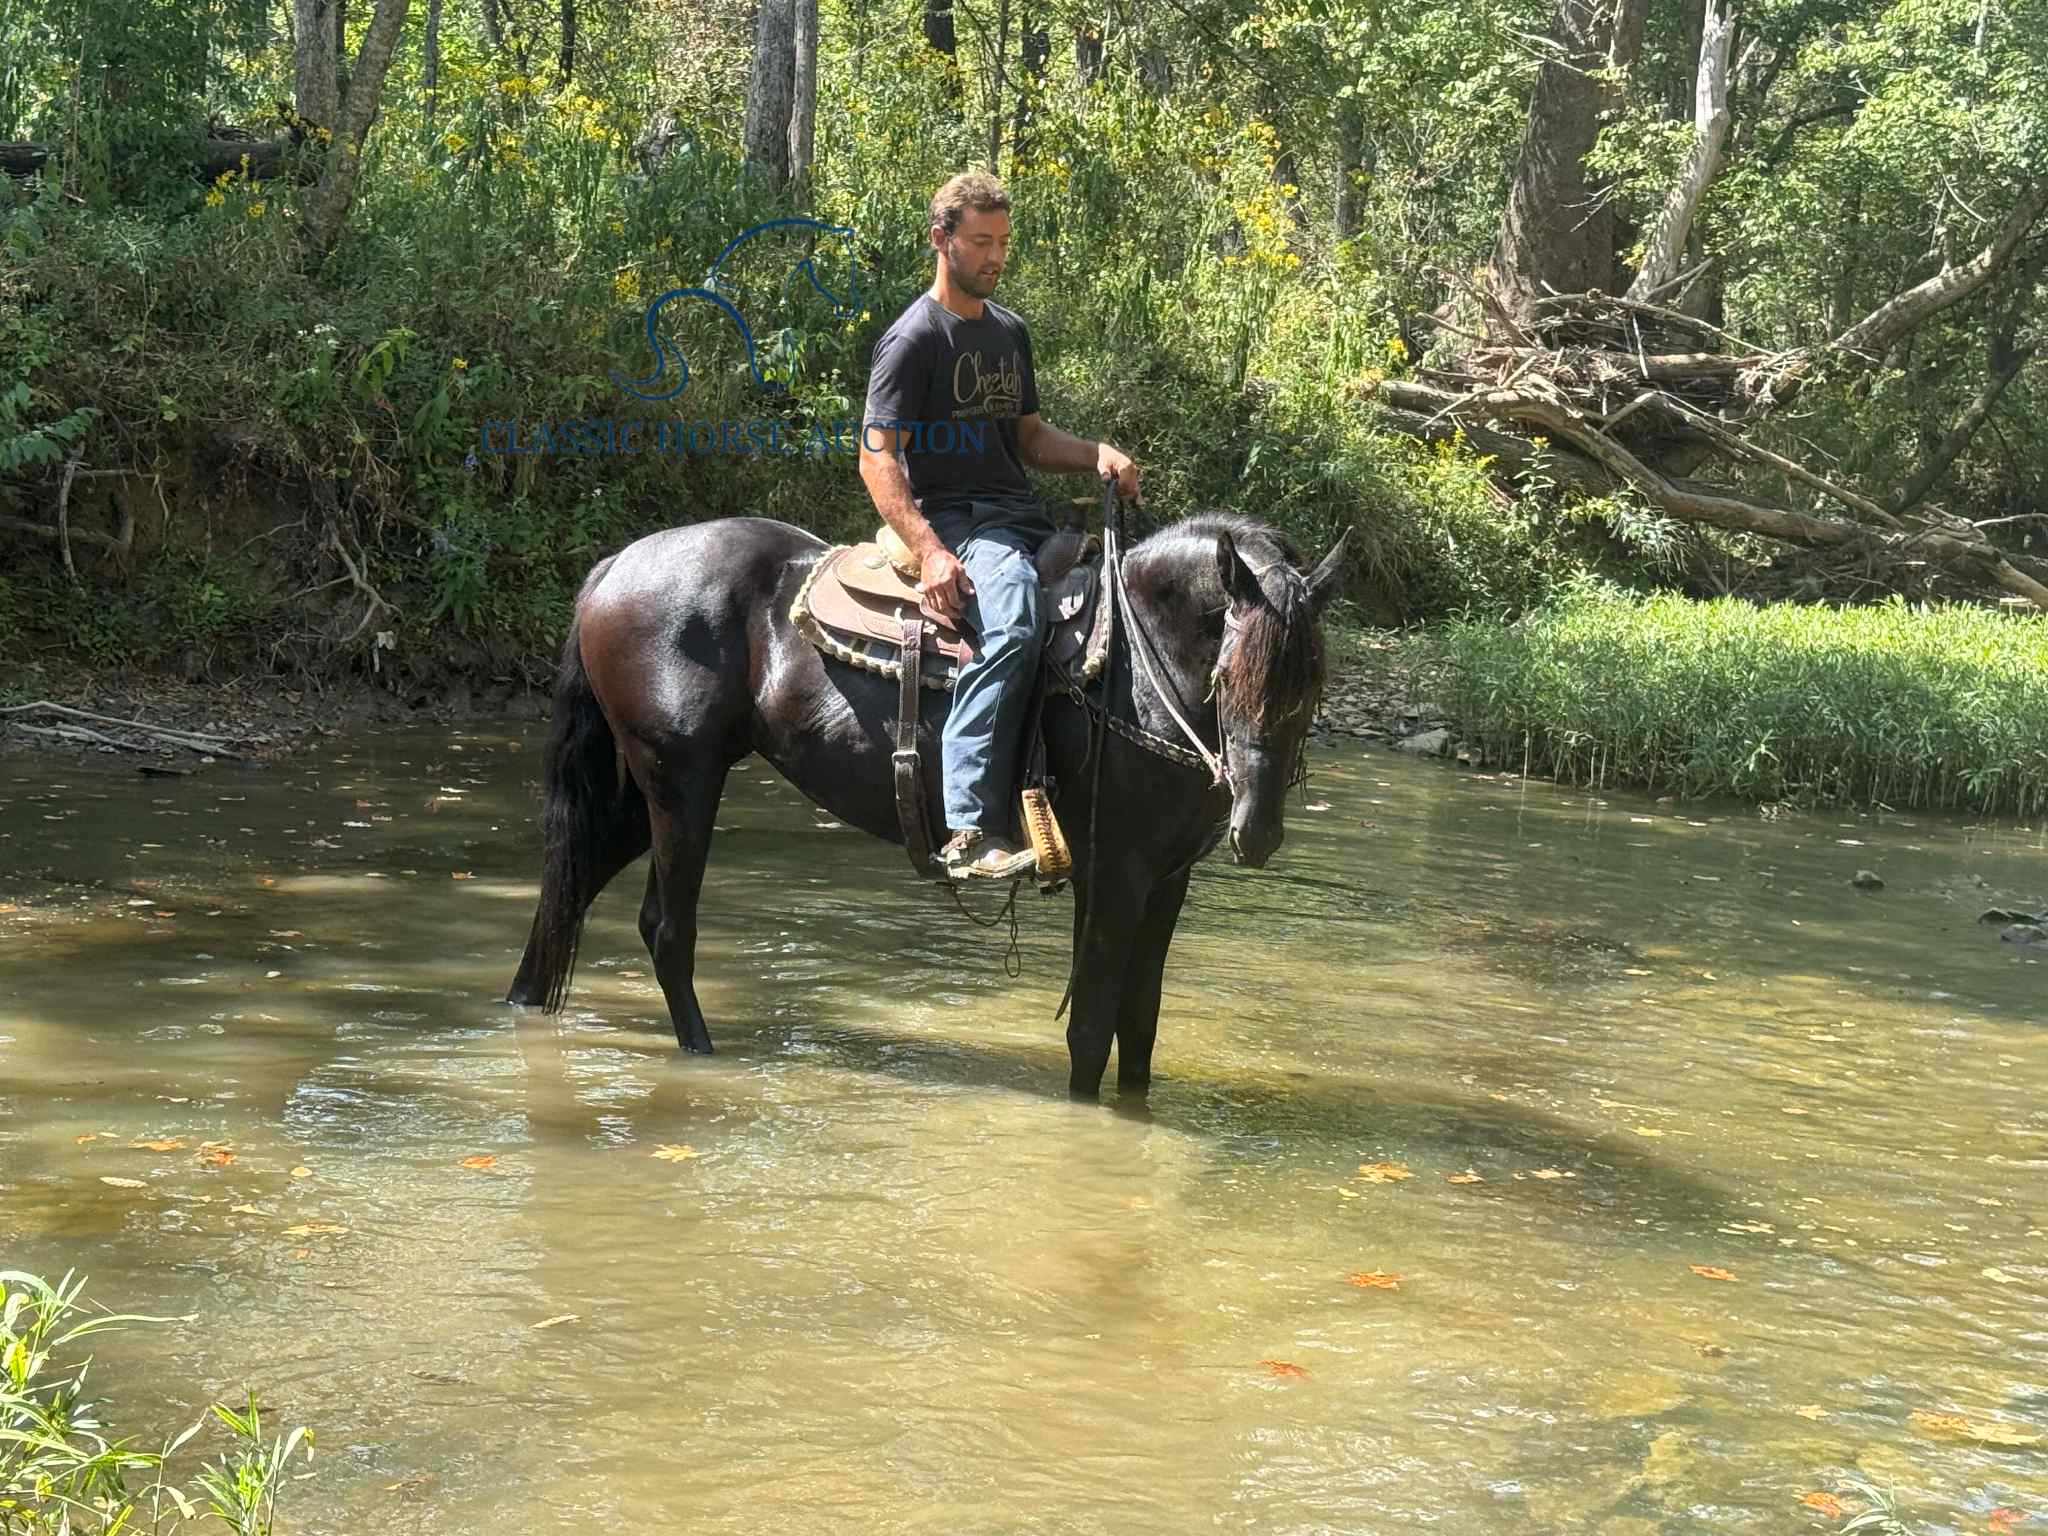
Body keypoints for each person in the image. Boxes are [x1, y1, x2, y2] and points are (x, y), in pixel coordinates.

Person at [858, 170, 1142, 880]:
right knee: (1012, 621)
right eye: (981, 242)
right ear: (941, 239)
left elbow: (1031, 440)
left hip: (1021, 517)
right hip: (958, 521)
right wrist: (930, 552)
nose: (995, 257)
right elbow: (876, 458)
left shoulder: (1009, 331)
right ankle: (969, 825)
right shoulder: (912, 339)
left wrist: (1097, 453)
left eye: (1003, 242)